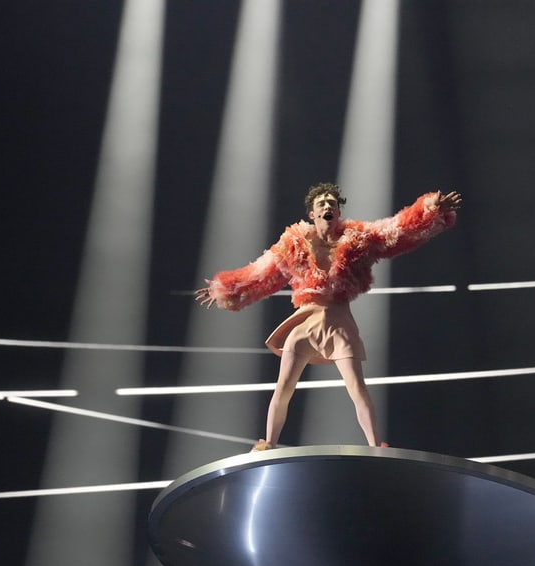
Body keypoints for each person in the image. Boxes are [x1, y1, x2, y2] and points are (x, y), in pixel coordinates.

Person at [196, 182, 460, 451]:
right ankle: (269, 443)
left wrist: (429, 209)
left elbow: (395, 230)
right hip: (305, 323)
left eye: (332, 203)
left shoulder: (358, 238)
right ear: (312, 213)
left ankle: (375, 446)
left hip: (339, 324)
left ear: (338, 211)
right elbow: (261, 272)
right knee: (283, 387)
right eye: (321, 203)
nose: (327, 206)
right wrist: (227, 288)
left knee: (357, 388)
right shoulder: (294, 243)